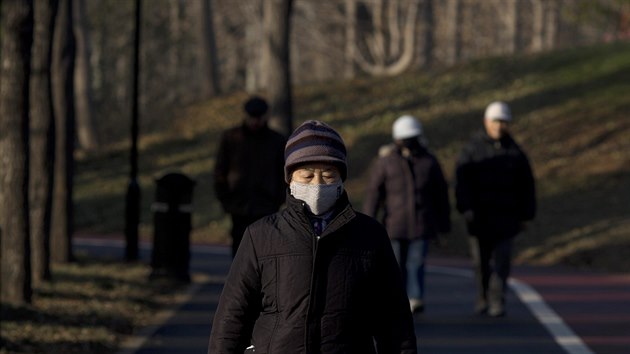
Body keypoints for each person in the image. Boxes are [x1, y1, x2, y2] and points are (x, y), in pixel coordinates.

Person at [208, 120, 417, 354]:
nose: (317, 185)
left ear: (340, 179)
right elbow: (232, 317)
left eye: (328, 175)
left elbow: (394, 321)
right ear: (290, 179)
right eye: (307, 176)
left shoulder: (369, 236)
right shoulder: (261, 236)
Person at [454, 101, 536, 317]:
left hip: (506, 218)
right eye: (495, 122)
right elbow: (461, 182)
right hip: (479, 219)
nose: (499, 126)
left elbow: (527, 186)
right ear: (486, 122)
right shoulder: (472, 151)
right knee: (480, 262)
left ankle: (497, 300)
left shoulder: (516, 153)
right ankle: (482, 296)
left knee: (502, 262)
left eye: (503, 122)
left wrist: (526, 214)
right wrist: (466, 208)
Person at [363, 115, 451, 314]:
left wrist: (443, 224)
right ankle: (396, 298)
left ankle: (415, 297)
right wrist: (368, 221)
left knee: (416, 262)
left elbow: (441, 195)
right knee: (395, 264)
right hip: (394, 224)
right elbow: (374, 194)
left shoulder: (429, 162)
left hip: (422, 223)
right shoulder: (386, 162)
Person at [213, 96, 287, 257]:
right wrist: (226, 200)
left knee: (265, 249)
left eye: (258, 118)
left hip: (266, 205)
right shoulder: (231, 138)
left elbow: (283, 173)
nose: (255, 122)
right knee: (240, 250)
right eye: (252, 117)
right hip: (239, 205)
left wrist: (277, 199)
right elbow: (220, 171)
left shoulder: (276, 141)